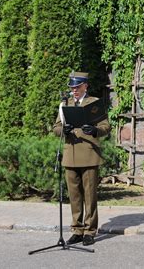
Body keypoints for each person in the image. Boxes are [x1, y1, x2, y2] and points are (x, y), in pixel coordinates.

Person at [53, 71, 111, 246]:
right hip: (70, 155)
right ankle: (77, 230)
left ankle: (90, 231)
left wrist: (95, 131)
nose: (74, 91)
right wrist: (64, 129)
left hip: (89, 155)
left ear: (85, 85)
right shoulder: (65, 104)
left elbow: (106, 126)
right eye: (72, 88)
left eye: (77, 87)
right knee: (74, 196)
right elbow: (56, 128)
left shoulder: (93, 103)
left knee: (90, 195)